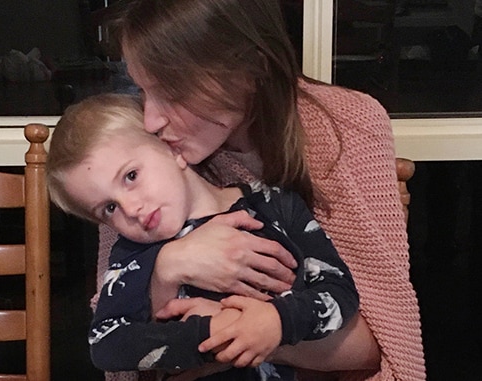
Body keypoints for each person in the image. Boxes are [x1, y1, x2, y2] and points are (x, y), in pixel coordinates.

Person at [93, 1, 426, 380]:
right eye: (142, 90)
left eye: (171, 90)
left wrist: (233, 332)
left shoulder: (347, 127)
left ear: (250, 69)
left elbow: (384, 349)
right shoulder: (138, 152)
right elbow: (114, 347)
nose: (151, 120)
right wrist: (166, 268)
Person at [47, 93, 359, 380]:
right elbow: (106, 345)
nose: (131, 208)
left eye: (131, 176)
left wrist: (277, 323)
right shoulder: (132, 256)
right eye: (109, 208)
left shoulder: (277, 206)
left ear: (171, 148)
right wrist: (212, 333)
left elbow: (340, 292)